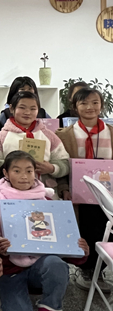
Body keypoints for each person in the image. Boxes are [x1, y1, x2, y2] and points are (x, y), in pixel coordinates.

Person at [0, 151, 89, 311]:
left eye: (29, 171)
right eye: (17, 171)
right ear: (6, 173)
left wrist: (79, 250)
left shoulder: (48, 203)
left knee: (56, 264)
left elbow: (62, 243)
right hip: (10, 271)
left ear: (35, 173)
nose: (24, 176)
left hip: (41, 265)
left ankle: (50, 305)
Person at [56, 88, 113, 291]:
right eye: (84, 103)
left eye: (95, 102)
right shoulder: (65, 135)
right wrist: (64, 188)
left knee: (106, 230)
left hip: (107, 195)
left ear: (101, 105)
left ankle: (100, 269)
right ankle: (86, 270)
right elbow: (62, 166)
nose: (90, 107)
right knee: (85, 230)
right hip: (79, 195)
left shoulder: (111, 132)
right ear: (75, 107)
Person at [0, 91, 70, 195]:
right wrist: (14, 168)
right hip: (11, 193)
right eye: (22, 107)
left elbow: (65, 162)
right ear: (12, 108)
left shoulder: (49, 135)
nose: (27, 112)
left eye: (33, 109)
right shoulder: (2, 136)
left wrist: (52, 168)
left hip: (45, 193)